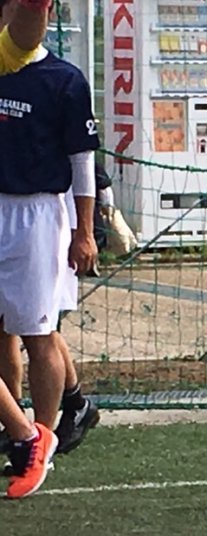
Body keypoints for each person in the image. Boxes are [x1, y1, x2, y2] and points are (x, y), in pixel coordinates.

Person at [0, 0, 98, 455]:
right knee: (5, 329)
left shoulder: (64, 80)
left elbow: (82, 162)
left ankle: (42, 435)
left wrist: (85, 231)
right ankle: (16, 424)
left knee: (38, 330)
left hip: (38, 212)